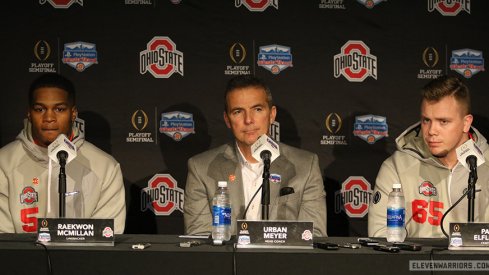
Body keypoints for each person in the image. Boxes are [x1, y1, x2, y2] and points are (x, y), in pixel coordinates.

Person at [184, 75, 327, 237]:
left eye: (257, 109)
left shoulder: (306, 166)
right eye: (238, 112)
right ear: (227, 120)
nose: (248, 120)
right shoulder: (201, 168)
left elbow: (313, 236)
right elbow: (199, 239)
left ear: (272, 115)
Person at [0, 73, 126, 234]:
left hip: (83, 260)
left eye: (59, 109)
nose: (49, 118)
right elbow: (4, 243)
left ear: (73, 113)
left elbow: (106, 238)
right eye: (40, 109)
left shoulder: (105, 167)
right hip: (21, 260)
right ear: (29, 114)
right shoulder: (4, 163)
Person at [368, 75, 489, 238]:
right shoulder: (397, 167)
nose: (431, 131)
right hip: (413, 264)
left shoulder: (486, 165)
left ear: (466, 123)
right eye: (426, 120)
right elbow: (381, 235)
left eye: (443, 121)